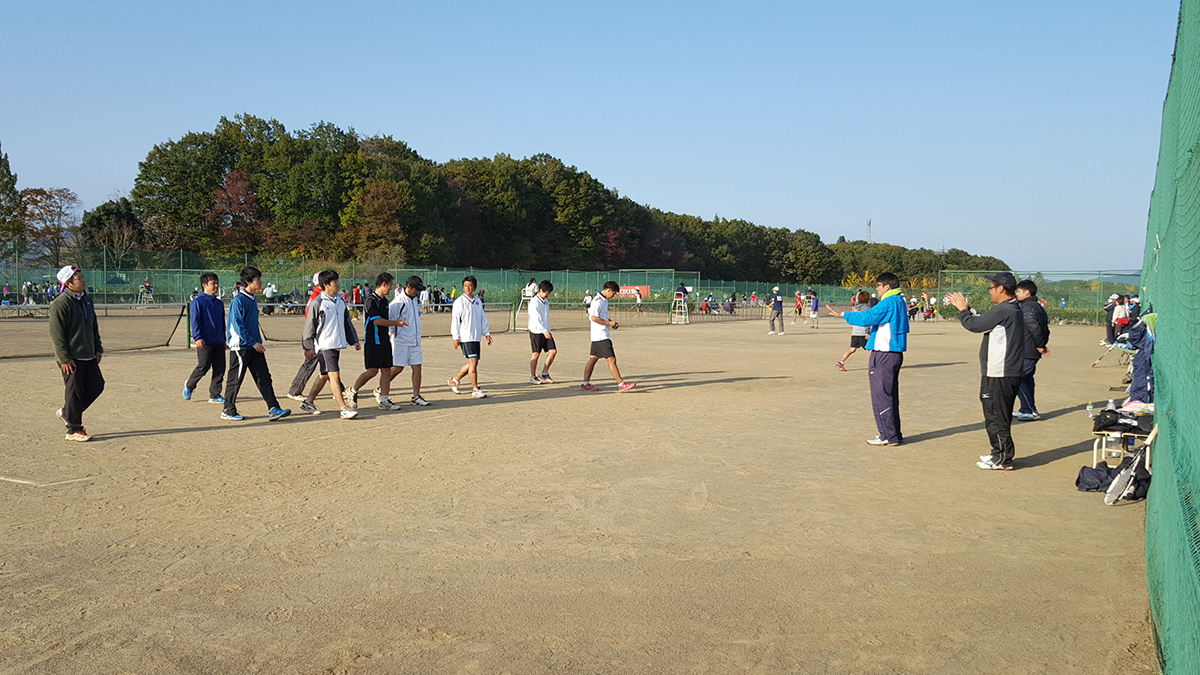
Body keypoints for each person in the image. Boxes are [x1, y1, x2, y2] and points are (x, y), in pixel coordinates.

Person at [944, 272, 1025, 471]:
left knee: (997, 415)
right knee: (994, 413)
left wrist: (963, 310)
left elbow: (974, 325)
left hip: (999, 372)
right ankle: (998, 452)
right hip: (1002, 371)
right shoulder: (1009, 309)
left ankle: (1003, 457)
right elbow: (985, 321)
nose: (989, 291)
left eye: (991, 287)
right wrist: (968, 309)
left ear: (1001, 289)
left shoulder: (1005, 309)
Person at [827, 273, 909, 446]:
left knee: (881, 396)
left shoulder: (890, 301)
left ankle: (888, 435)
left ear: (887, 287)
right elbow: (873, 316)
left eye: (878, 285)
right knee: (890, 395)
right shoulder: (900, 300)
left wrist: (843, 314)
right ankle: (894, 434)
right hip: (893, 353)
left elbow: (868, 318)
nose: (877, 289)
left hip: (884, 353)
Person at [222, 267, 291, 422]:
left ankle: (273, 408)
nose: (260, 282)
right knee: (235, 379)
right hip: (241, 346)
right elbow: (238, 324)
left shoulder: (253, 299)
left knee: (264, 377)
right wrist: (252, 342)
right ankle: (228, 409)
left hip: (254, 346)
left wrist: (256, 342)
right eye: (257, 279)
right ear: (248, 282)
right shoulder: (238, 300)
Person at [49, 265, 104, 441]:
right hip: (71, 358)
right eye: (78, 278)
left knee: (97, 386)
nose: (83, 280)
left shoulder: (87, 300)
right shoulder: (61, 303)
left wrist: (97, 348)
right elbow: (56, 334)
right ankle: (73, 430)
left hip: (89, 354)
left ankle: (67, 413)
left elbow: (93, 327)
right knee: (74, 392)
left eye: (82, 277)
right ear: (68, 283)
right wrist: (64, 358)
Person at [299, 269, 360, 419]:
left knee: (324, 375)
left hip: (336, 344)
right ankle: (343, 408)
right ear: (325, 284)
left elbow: (347, 323)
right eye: (335, 282)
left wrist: (354, 340)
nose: (338, 284)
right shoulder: (317, 302)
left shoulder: (340, 301)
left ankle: (308, 402)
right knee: (334, 375)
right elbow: (310, 326)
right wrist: (308, 346)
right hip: (324, 345)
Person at [346, 273, 405, 412]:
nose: (391, 288)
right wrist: (397, 323)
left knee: (386, 370)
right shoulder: (370, 300)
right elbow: (377, 321)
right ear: (383, 284)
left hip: (385, 340)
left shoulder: (385, 301)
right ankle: (353, 390)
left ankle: (384, 400)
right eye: (390, 285)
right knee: (372, 371)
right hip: (373, 340)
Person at [581, 281, 636, 392]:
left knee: (593, 359)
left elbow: (602, 317)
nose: (614, 296)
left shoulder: (604, 300)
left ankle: (585, 384)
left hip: (598, 335)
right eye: (614, 293)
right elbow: (594, 318)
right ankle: (621, 384)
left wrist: (611, 322)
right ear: (608, 290)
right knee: (611, 359)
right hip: (601, 336)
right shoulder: (597, 301)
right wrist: (608, 323)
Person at [387, 276, 430, 407]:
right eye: (415, 289)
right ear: (409, 287)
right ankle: (381, 389)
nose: (417, 292)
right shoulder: (397, 302)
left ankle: (416, 396)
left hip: (415, 340)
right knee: (398, 368)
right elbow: (390, 322)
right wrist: (393, 337)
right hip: (401, 340)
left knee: (417, 368)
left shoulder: (415, 300)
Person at [184, 272, 227, 405]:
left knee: (220, 368)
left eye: (217, 283)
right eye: (213, 283)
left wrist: (223, 339)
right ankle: (190, 385)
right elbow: (195, 320)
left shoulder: (219, 303)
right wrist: (197, 337)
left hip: (218, 341)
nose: (216, 286)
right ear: (204, 285)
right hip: (205, 341)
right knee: (203, 366)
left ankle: (215, 394)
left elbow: (221, 322)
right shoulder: (198, 302)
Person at [449, 275, 492, 398]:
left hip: (476, 337)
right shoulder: (459, 302)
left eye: (470, 286)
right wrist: (455, 337)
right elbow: (455, 320)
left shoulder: (478, 301)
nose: (468, 288)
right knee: (473, 362)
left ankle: (455, 380)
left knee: (473, 363)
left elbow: (483, 318)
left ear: (475, 287)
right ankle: (475, 389)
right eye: (465, 286)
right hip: (465, 337)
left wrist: (487, 333)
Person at [1014, 279, 1050, 422]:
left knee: (1017, 378)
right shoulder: (1037, 306)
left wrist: (1040, 344)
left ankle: (1030, 410)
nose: (1017, 293)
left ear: (1027, 292)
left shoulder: (1027, 308)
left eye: (1019, 291)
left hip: (1028, 349)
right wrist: (1042, 343)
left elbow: (1034, 327)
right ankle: (1026, 408)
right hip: (1031, 348)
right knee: (1027, 379)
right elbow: (1045, 328)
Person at [287, 273, 327, 401]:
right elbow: (311, 322)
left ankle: (340, 389)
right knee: (311, 364)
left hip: (321, 337)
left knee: (329, 364)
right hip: (315, 338)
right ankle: (295, 390)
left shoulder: (320, 296)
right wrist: (310, 342)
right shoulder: (317, 298)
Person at [528, 279, 557, 384]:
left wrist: (547, 329)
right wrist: (543, 330)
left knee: (553, 351)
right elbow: (536, 319)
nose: (548, 294)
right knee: (536, 354)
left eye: (549, 292)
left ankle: (544, 372)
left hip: (546, 330)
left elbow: (545, 317)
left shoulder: (546, 302)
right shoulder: (534, 302)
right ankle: (532, 376)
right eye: (547, 292)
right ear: (541, 290)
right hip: (536, 331)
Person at [836, 291, 872, 371]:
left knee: (852, 349)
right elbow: (865, 320)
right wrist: (867, 332)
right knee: (871, 349)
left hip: (855, 332)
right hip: (863, 332)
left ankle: (841, 361)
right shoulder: (867, 308)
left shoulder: (855, 307)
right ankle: (872, 365)